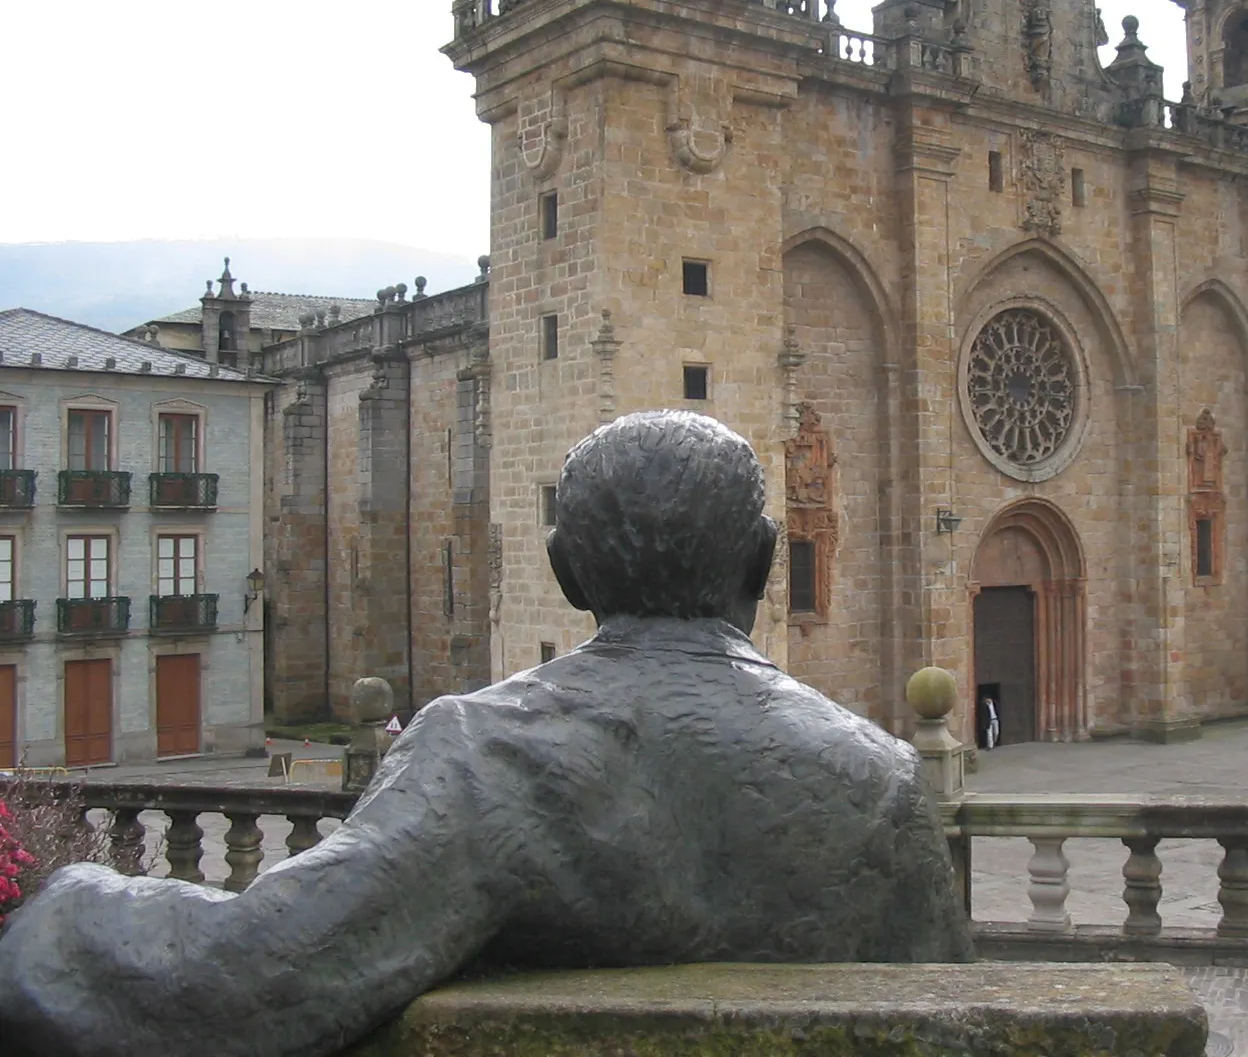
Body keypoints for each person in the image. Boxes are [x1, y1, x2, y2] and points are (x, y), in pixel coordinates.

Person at [0, 411, 974, 1057]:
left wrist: (54, 908)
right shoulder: (881, 777)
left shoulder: (486, 752)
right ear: (764, 562)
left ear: (565, 574)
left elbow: (249, 976)